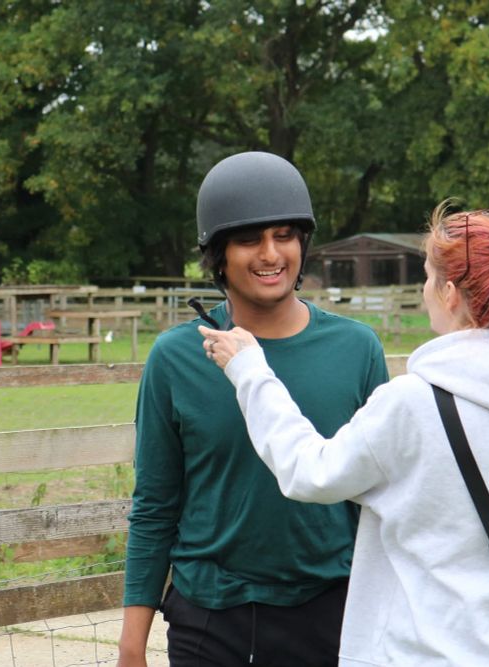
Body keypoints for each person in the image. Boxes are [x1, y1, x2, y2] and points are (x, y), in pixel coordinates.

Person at [199, 204, 489, 666]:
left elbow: (310, 472)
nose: (423, 291)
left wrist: (250, 372)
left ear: (448, 292)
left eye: (426, 278)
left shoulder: (415, 403)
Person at [117, 151, 390, 667]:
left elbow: (380, 499)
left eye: (285, 235)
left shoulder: (357, 350)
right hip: (210, 618)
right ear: (217, 254)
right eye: (249, 239)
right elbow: (155, 505)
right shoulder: (175, 358)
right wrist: (133, 642)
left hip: (332, 613)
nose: (270, 253)